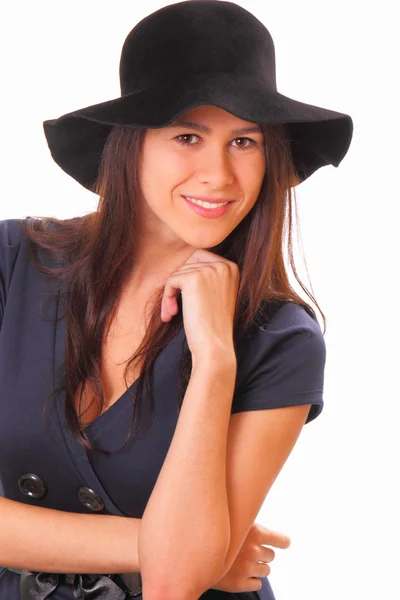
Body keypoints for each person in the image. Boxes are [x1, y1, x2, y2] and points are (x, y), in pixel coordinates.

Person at [0, 1, 353, 599]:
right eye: (187, 136)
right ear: (129, 144)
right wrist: (170, 542)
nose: (218, 174)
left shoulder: (281, 340)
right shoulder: (13, 260)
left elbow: (176, 581)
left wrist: (215, 358)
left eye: (245, 140)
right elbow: (187, 557)